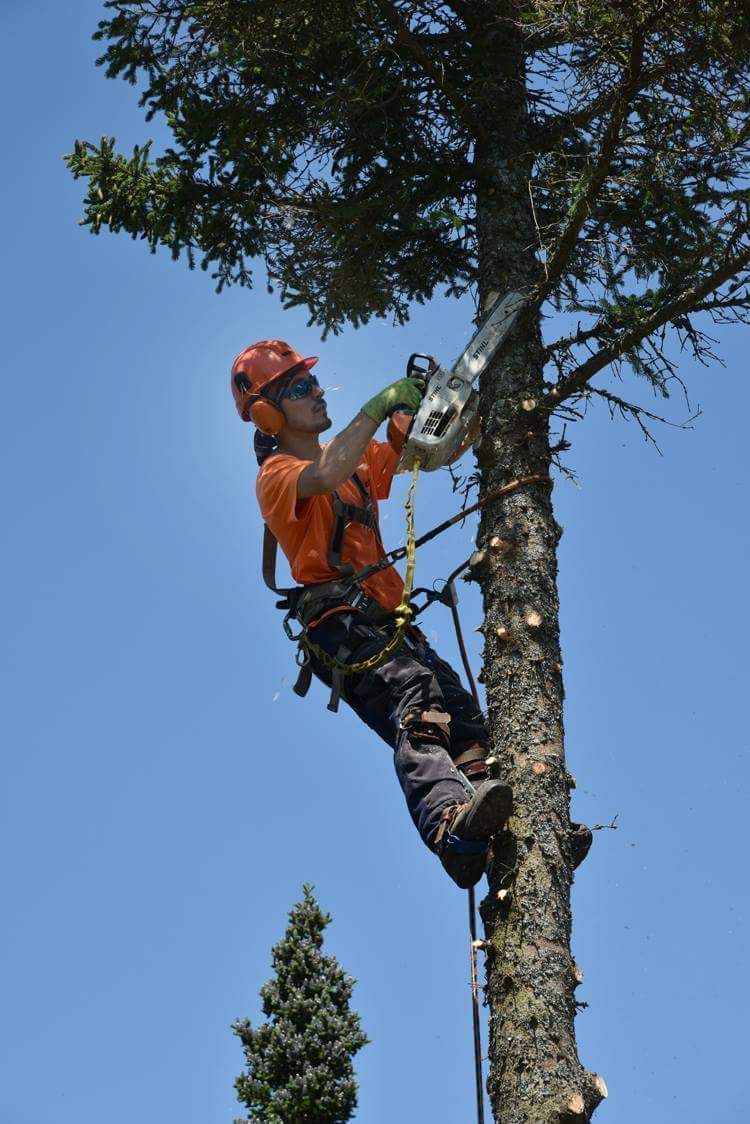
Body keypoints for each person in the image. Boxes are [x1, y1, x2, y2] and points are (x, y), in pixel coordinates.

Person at [231, 339, 588, 887]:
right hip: (340, 627)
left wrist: (454, 407)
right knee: (416, 699)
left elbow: (435, 453)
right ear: (267, 412)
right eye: (300, 388)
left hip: (388, 624)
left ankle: (506, 833)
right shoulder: (278, 476)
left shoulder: (357, 462)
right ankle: (449, 828)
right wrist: (376, 408)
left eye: (313, 382)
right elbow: (324, 474)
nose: (317, 392)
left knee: (467, 720)